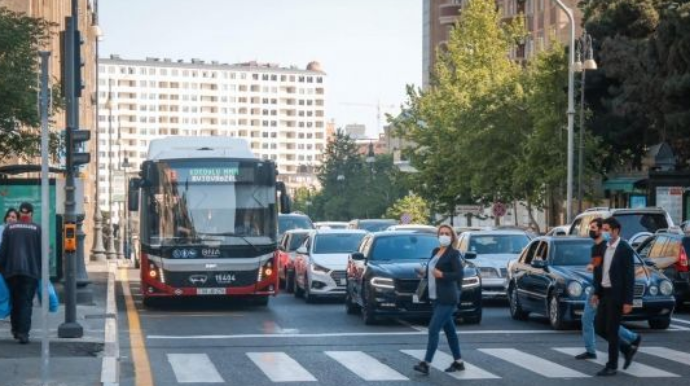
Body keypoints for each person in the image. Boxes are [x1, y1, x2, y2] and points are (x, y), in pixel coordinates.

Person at [575, 218, 641, 361]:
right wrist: (593, 267)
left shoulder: (611, 246)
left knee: (602, 322)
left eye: (594, 227)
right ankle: (629, 340)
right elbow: (598, 266)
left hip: (604, 290)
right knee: (597, 321)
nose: (591, 230)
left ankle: (627, 343)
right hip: (598, 287)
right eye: (590, 227)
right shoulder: (596, 248)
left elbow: (619, 272)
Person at [413, 224, 465, 375]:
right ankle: (458, 362)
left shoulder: (454, 254)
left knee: (433, 329)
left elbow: (459, 274)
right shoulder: (435, 251)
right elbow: (432, 270)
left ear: (452, 236)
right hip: (435, 298)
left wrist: (442, 275)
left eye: (447, 233)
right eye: (441, 233)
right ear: (438, 236)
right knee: (450, 331)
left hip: (447, 298)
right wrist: (424, 273)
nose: (444, 235)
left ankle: (426, 363)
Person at [591, 217, 637, 376]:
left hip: (617, 295)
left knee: (611, 330)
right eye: (602, 229)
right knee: (598, 327)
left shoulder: (624, 249)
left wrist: (628, 301)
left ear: (615, 230)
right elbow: (600, 272)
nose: (603, 232)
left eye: (606, 230)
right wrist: (597, 292)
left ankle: (612, 366)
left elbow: (630, 277)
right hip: (605, 293)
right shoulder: (604, 247)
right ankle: (626, 347)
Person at [0, 203, 42, 344]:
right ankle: (23, 333)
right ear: (31, 214)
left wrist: (3, 270)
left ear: (19, 213)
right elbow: (42, 252)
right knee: (26, 302)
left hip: (11, 271)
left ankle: (16, 330)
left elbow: (3, 251)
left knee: (15, 300)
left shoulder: (9, 228)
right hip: (31, 271)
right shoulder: (37, 229)